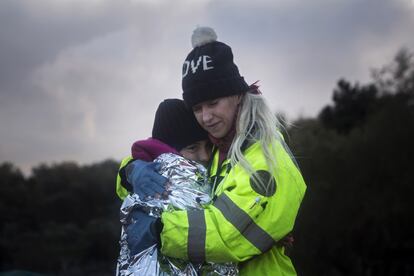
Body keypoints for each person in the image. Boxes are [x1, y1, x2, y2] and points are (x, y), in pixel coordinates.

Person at [126, 27, 307, 275]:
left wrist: (158, 229)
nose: (206, 117)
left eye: (213, 103)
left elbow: (227, 235)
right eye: (197, 108)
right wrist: (131, 170)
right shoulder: (214, 149)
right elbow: (168, 170)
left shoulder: (267, 159)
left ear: (238, 96)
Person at [115, 98, 211, 201]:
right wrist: (128, 176)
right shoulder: (145, 176)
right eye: (193, 148)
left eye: (208, 145)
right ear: (167, 152)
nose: (206, 156)